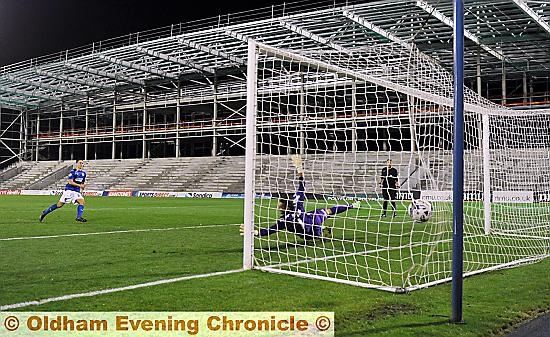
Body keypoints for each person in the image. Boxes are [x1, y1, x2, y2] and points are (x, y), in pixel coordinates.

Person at [240, 155, 360, 240]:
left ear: (284, 207)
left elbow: (271, 230)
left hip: (309, 234)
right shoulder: (297, 201)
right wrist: (299, 169)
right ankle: (352, 206)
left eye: (279, 204)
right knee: (328, 211)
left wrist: (254, 232)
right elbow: (302, 186)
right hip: (314, 220)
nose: (278, 206)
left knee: (316, 224)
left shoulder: (285, 220)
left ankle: (322, 230)